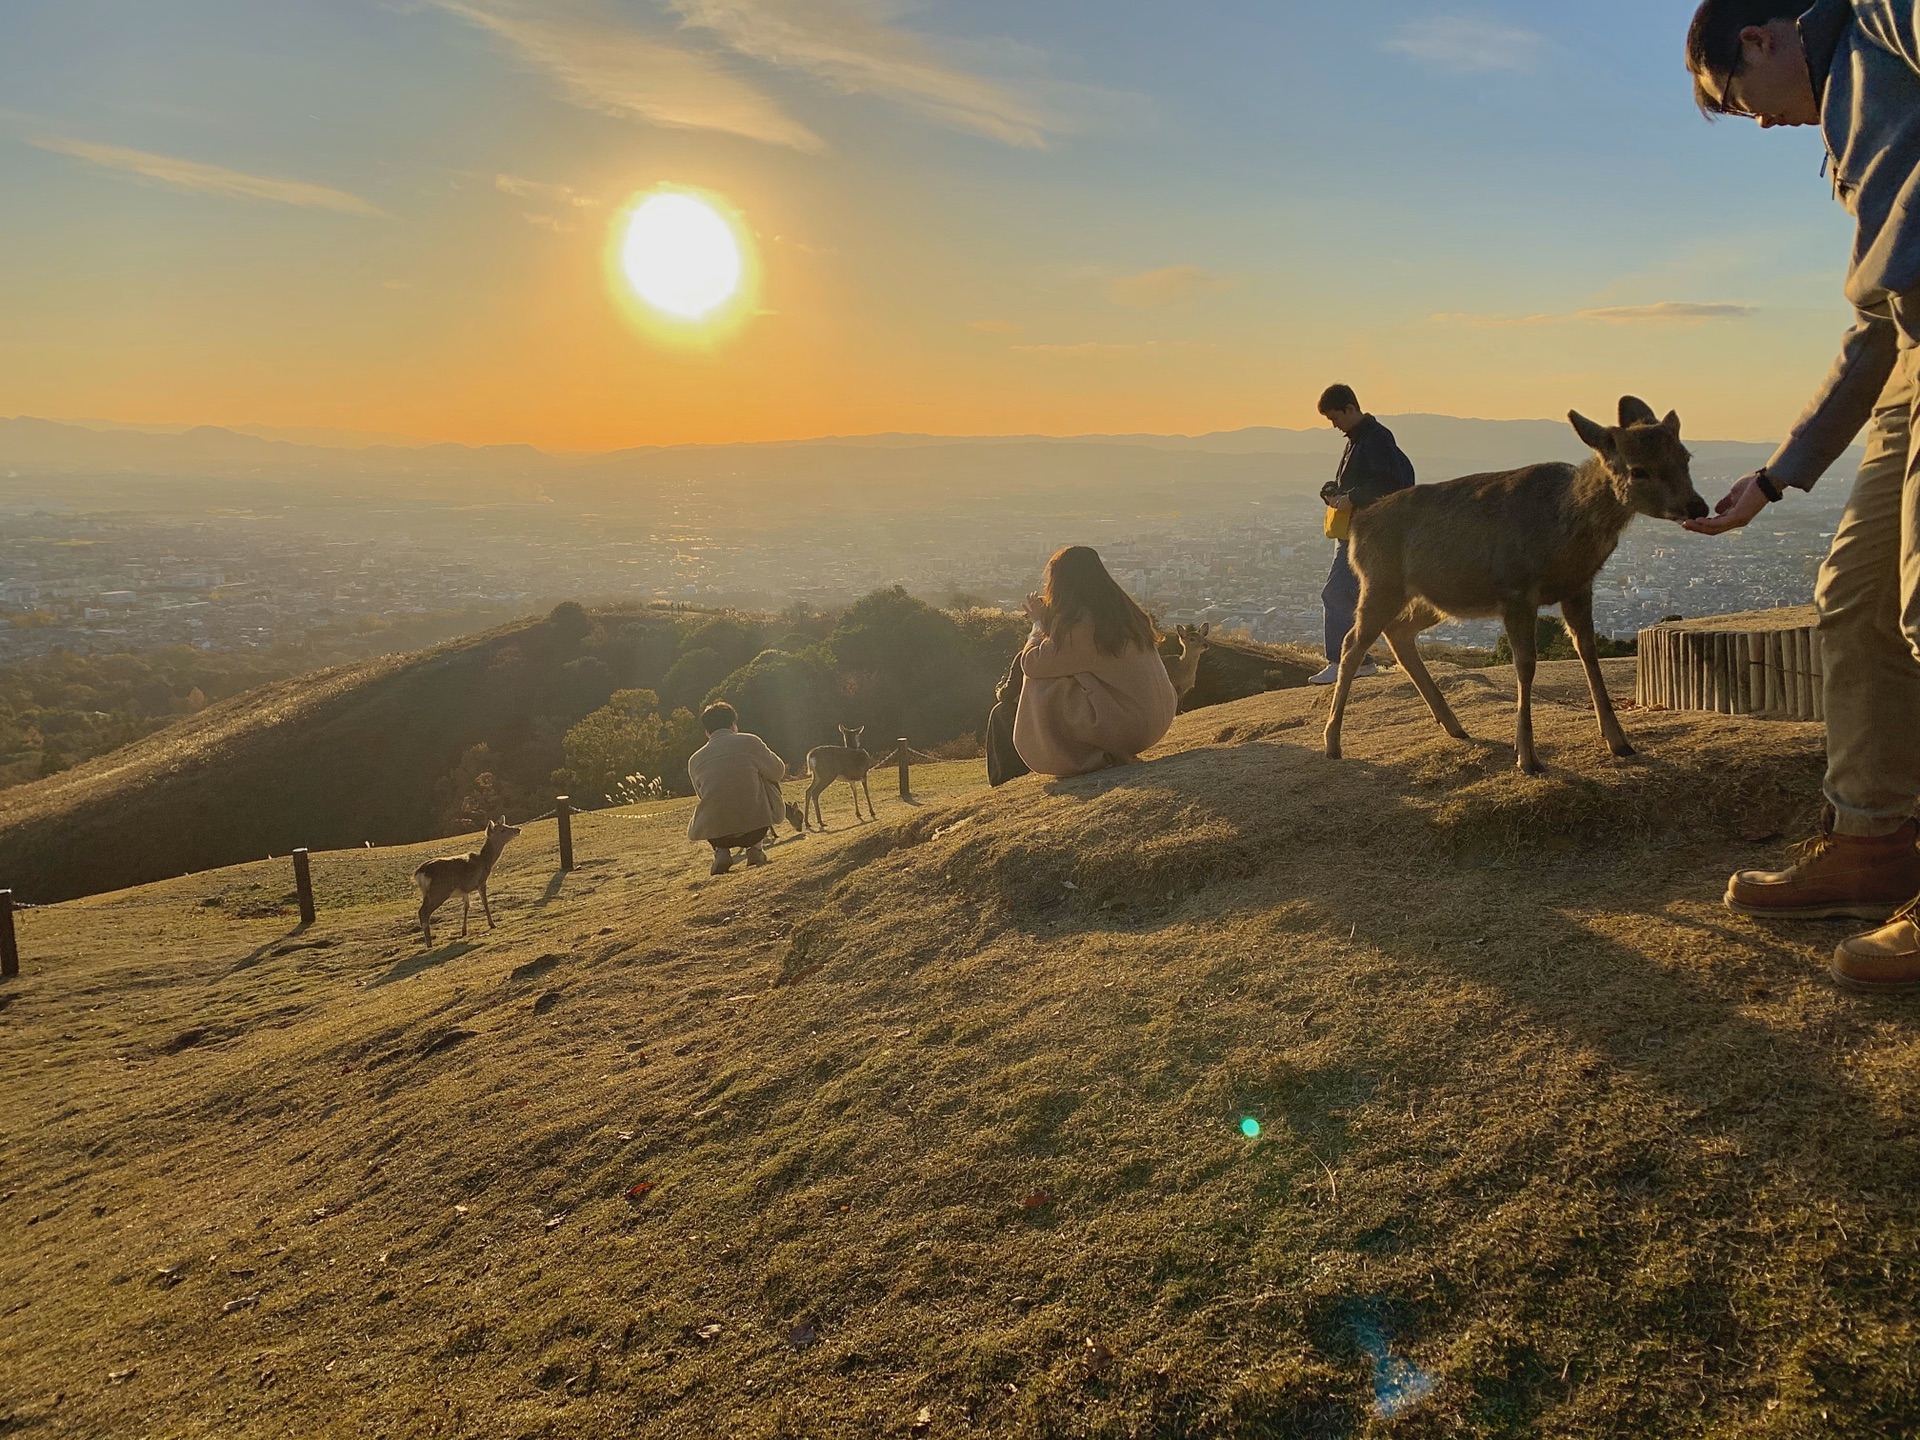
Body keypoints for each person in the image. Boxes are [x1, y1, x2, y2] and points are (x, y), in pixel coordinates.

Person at [1683, 0, 1920, 992]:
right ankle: (1877, 842)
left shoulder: (1881, 17)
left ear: (1758, 39)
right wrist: (1776, 476)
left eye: (1736, 104)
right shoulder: (1853, 123)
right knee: (1858, 590)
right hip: (1910, 349)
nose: (1757, 123)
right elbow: (1874, 326)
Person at [1013, 545, 1178, 778]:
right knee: (1066, 673)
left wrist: (1038, 625)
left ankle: (1069, 757)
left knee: (1040, 682)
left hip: (1132, 727)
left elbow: (1033, 663)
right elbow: (1072, 655)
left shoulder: (1083, 624)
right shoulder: (1121, 612)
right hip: (1155, 720)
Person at [1310, 384, 1416, 686]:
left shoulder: (1375, 438)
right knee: (1352, 595)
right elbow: (1368, 480)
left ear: (1350, 409)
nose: (1334, 425)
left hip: (1367, 532)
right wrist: (1335, 491)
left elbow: (1391, 483)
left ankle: (1345, 661)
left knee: (1335, 593)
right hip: (1356, 529)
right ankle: (1359, 659)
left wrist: (1352, 497)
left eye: (1335, 418)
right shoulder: (1359, 438)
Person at [685, 702, 788, 876]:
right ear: (733, 724)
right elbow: (778, 772)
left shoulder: (695, 760)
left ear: (707, 732)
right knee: (766, 777)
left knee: (712, 797)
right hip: (756, 828)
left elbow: (701, 794)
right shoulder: (750, 741)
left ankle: (721, 852)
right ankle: (755, 850)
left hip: (717, 833)